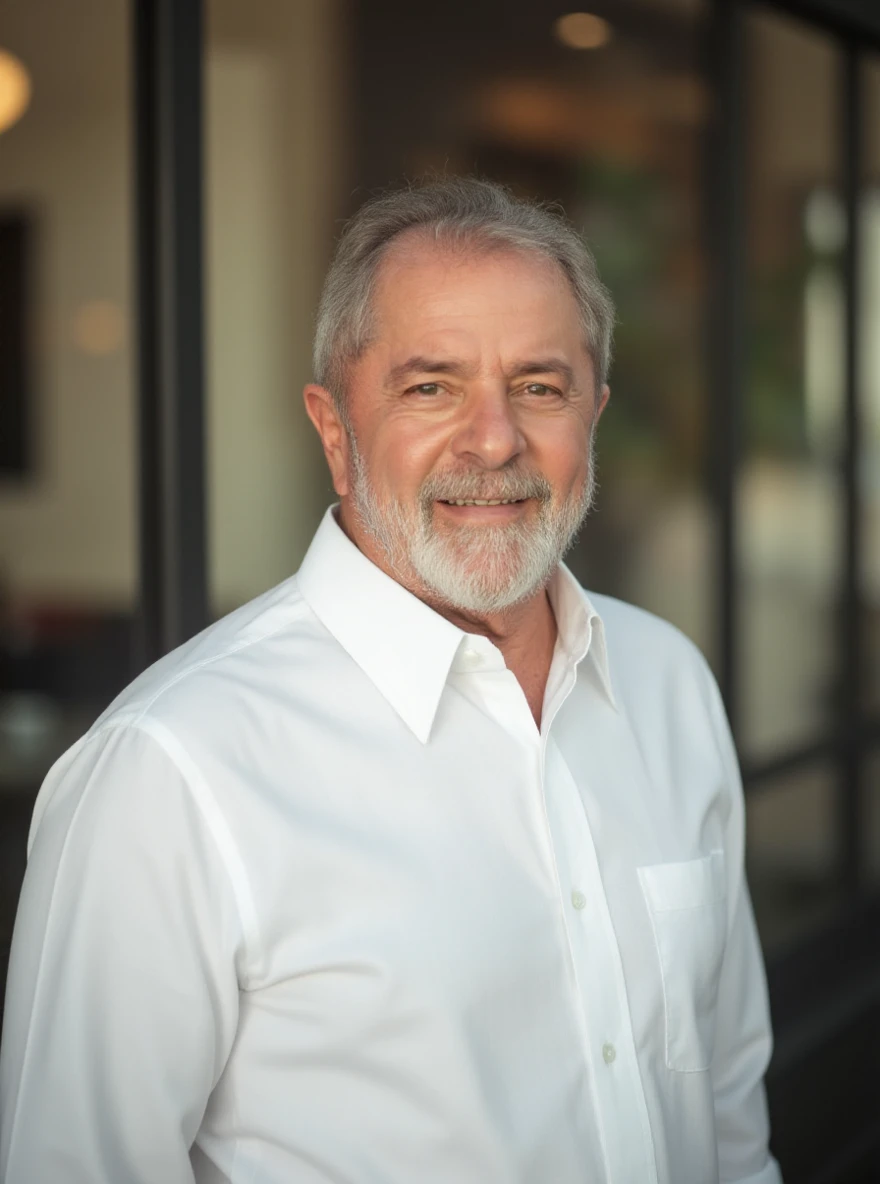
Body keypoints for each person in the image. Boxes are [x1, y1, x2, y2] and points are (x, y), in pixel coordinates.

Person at [0, 177, 781, 1184]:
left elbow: (726, 1108)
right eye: (431, 386)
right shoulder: (169, 773)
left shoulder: (669, 683)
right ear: (334, 430)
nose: (493, 439)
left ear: (594, 414)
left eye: (539, 385)